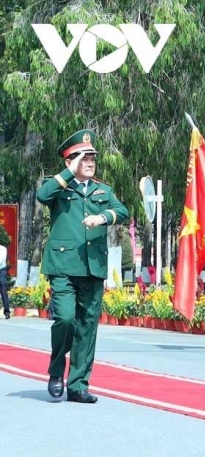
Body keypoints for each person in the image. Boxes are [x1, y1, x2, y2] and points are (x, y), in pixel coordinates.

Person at [38, 129, 129, 402]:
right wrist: (69, 173)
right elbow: (42, 196)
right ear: (69, 162)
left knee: (88, 326)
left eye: (92, 158)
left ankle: (78, 385)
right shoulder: (58, 186)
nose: (89, 163)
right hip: (64, 267)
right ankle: (56, 370)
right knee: (65, 319)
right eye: (82, 158)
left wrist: (103, 217)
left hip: (93, 268)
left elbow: (122, 211)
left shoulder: (104, 190)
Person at [0, 240, 9, 318]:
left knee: (3, 291)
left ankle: (7, 312)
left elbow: (1, 260)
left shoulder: (3, 249)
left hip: (1, 270)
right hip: (2, 270)